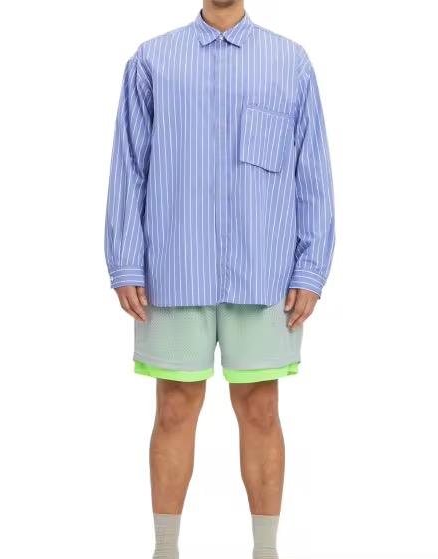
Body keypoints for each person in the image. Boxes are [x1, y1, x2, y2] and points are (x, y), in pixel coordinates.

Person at [104, 0, 335, 557]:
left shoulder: (289, 62)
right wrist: (125, 259)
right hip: (173, 268)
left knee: (261, 408)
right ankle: (165, 550)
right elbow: (129, 166)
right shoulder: (153, 60)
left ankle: (265, 551)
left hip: (264, 271)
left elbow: (313, 171)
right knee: (173, 407)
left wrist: (310, 266)